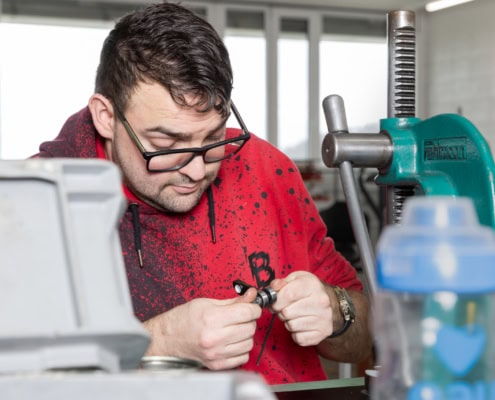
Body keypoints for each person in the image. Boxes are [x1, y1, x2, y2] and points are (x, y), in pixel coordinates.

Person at [34, 1, 372, 385]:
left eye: (212, 139)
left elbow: (363, 341)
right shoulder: (37, 204)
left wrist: (335, 310)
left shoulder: (264, 167)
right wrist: (159, 343)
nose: (196, 171)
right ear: (106, 117)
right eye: (167, 143)